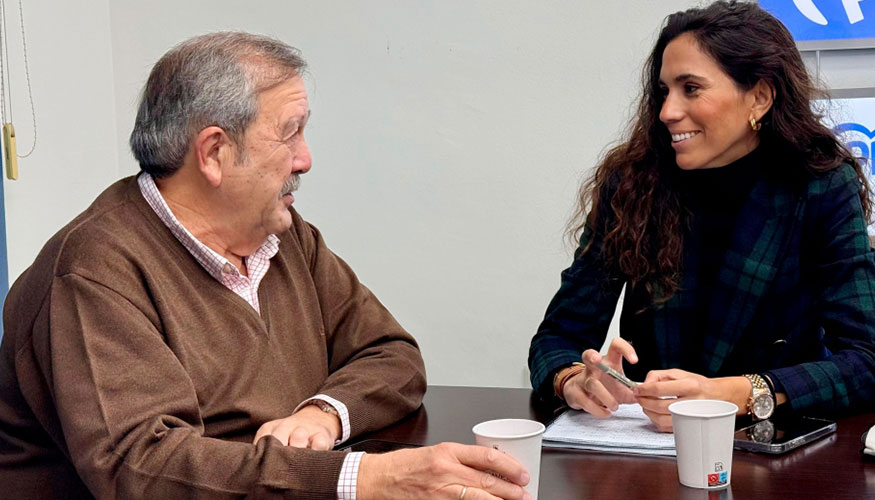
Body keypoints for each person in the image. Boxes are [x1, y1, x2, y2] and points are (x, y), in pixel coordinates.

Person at [0, 32, 530, 500]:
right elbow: (143, 468)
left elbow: (392, 354)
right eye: (289, 132)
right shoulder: (94, 270)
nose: (305, 158)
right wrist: (360, 479)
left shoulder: (283, 236)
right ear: (213, 152)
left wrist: (322, 413)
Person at [529, 1, 875, 432]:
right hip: (653, 449)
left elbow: (866, 360)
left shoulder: (820, 184)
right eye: (664, 91)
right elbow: (556, 337)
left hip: (779, 453)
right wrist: (573, 380)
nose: (667, 111)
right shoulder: (632, 181)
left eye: (691, 88)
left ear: (760, 97)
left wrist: (741, 393)